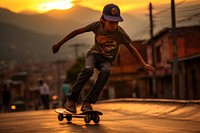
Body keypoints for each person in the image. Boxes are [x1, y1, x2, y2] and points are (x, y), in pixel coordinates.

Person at [52, 3, 156, 113]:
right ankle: (71, 100)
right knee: (88, 70)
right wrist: (59, 44)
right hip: (94, 55)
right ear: (103, 20)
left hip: (107, 60)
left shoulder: (120, 33)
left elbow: (131, 49)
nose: (114, 26)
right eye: (111, 23)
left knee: (106, 72)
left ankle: (88, 102)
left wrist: (144, 64)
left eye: (116, 23)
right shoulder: (96, 26)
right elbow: (77, 32)